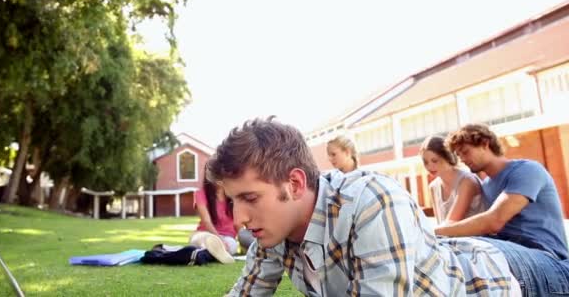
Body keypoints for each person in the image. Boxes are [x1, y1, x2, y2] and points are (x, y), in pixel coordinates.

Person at [208, 117, 519, 296]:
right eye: (234, 201)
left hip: (496, 277)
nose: (239, 219)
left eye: (249, 198)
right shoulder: (274, 230)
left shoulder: (372, 201)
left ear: (295, 184)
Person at [437, 123, 569, 295]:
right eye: (458, 154)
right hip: (511, 257)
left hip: (549, 260)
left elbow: (494, 221)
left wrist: (433, 232)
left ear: (485, 143)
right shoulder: (485, 186)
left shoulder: (527, 170)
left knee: (474, 251)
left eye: (465, 151)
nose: (462, 158)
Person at [189, 173, 256, 264]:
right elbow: (206, 221)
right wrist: (219, 239)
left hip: (227, 237)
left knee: (231, 246)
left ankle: (210, 252)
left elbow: (238, 223)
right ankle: (213, 250)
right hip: (205, 233)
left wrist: (242, 239)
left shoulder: (234, 195)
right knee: (202, 238)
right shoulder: (200, 193)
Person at [420, 135, 485, 224]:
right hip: (450, 237)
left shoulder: (467, 181)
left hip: (477, 237)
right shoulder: (433, 187)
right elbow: (440, 224)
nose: (429, 166)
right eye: (425, 162)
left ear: (447, 157)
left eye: (435, 161)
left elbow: (451, 222)